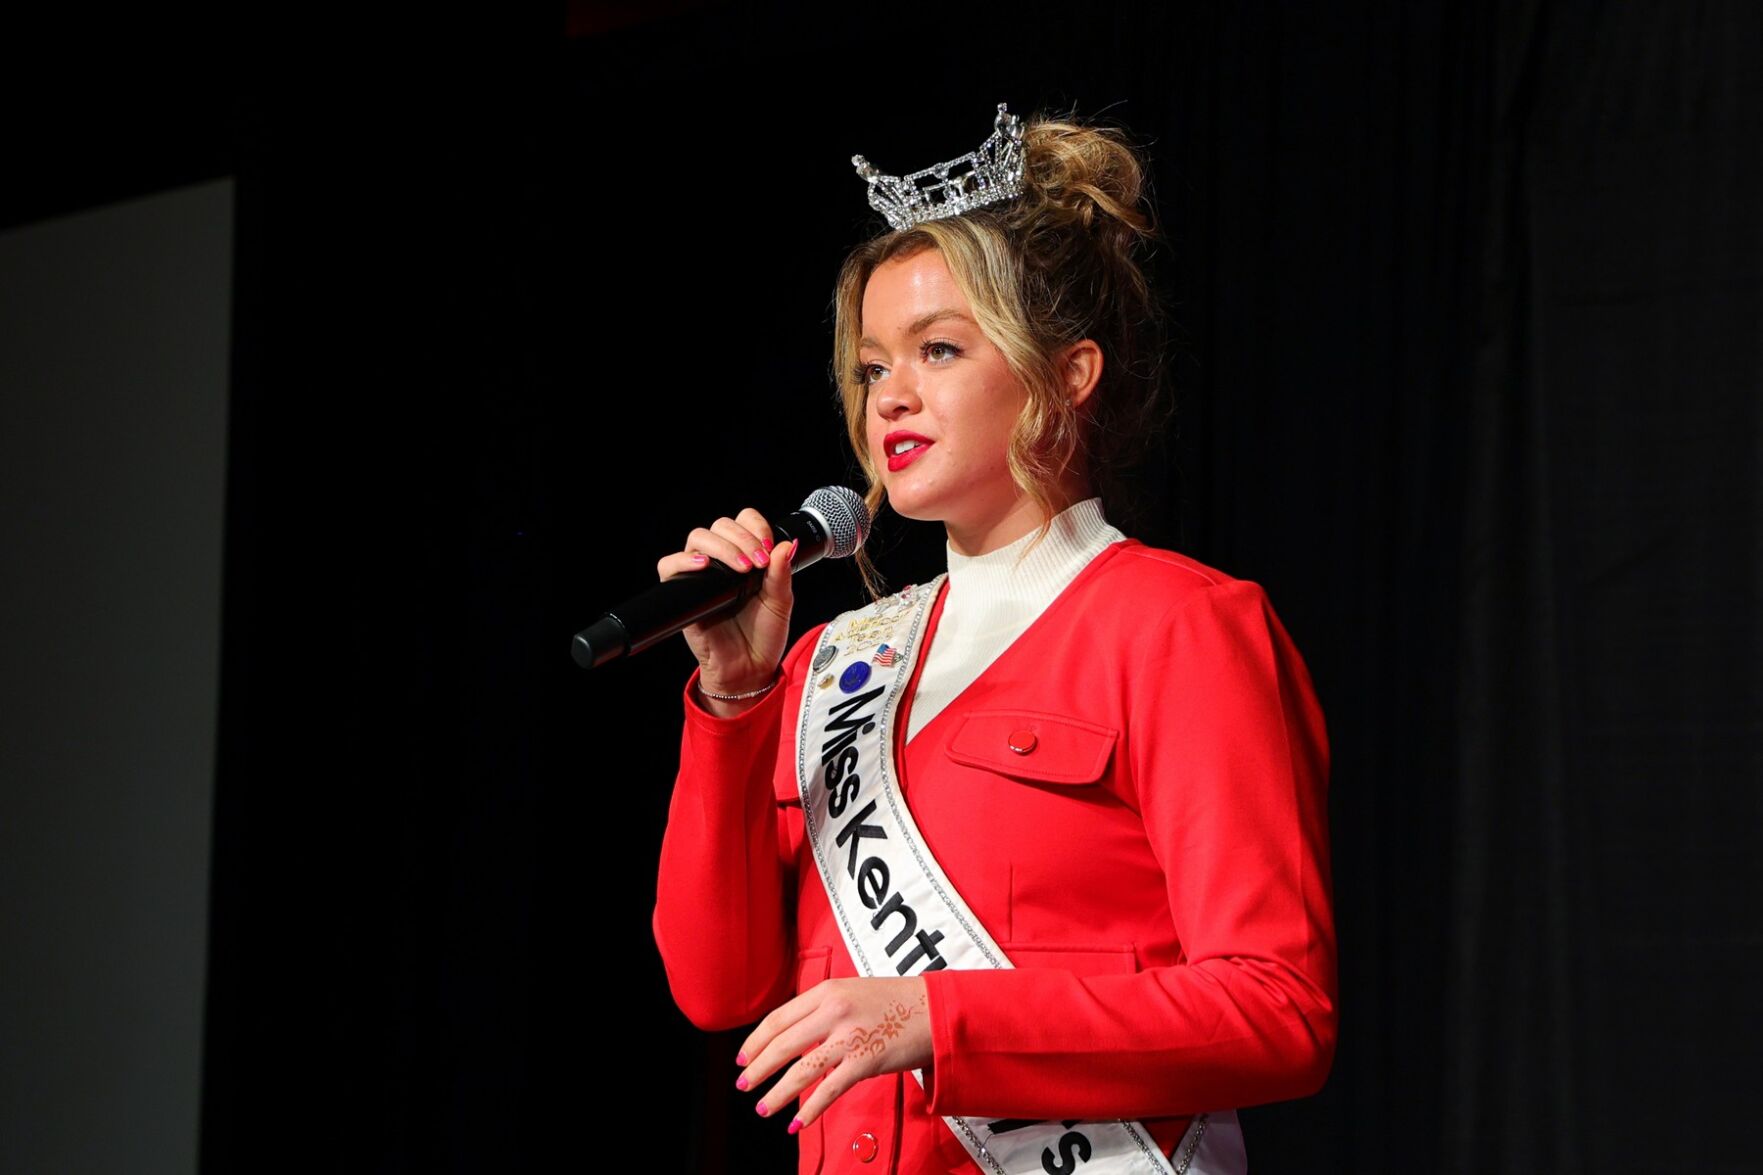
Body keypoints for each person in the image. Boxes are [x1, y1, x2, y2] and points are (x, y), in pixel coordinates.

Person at [650, 102, 1336, 1174]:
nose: (892, 398)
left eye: (937, 349)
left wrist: (941, 1016)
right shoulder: (838, 660)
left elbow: (1277, 1009)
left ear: (1067, 371)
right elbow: (717, 986)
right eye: (871, 367)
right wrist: (734, 701)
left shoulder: (1177, 624)